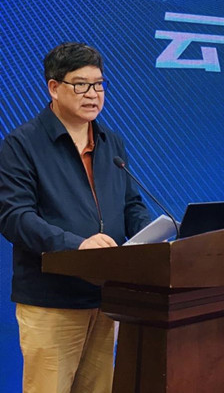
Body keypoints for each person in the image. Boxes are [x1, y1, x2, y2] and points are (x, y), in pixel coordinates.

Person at [0, 42, 152, 393]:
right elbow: (14, 216)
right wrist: (77, 246)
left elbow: (131, 204)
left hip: (106, 298)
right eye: (81, 85)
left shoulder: (111, 142)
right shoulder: (23, 144)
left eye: (98, 84)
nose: (93, 94)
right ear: (54, 87)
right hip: (52, 299)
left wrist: (150, 236)